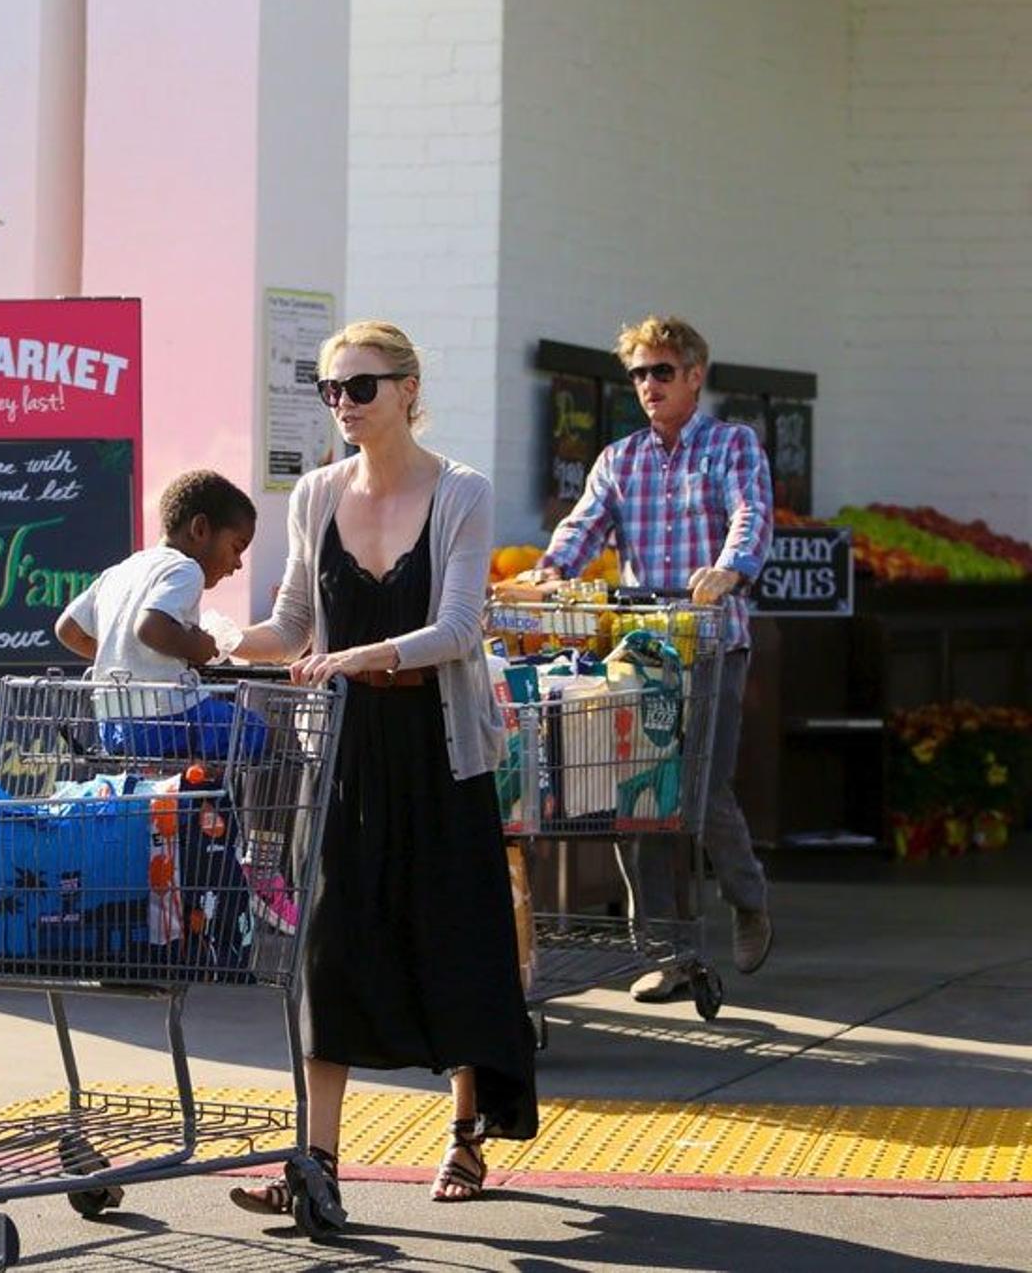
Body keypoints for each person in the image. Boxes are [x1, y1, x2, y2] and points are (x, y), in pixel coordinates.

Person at [229, 320, 537, 1225]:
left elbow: (459, 629)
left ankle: (466, 1131)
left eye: (359, 387)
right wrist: (214, 639)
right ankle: (315, 1162)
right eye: (330, 389)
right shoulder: (316, 493)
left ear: (408, 389)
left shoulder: (462, 493)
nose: (342, 406)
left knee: (454, 942)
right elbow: (290, 621)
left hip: (441, 756)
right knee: (331, 951)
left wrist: (357, 655)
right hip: (349, 761)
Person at [530, 315, 774, 1002]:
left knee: (703, 784)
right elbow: (581, 527)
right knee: (639, 793)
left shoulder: (732, 445)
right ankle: (666, 951)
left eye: (661, 371)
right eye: (638, 373)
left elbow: (750, 514)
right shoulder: (620, 459)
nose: (647, 385)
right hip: (643, 653)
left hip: (713, 641)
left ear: (695, 375)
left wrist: (729, 568)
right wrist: (549, 573)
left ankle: (747, 896)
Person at [54, 469, 258, 759]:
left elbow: (67, 630)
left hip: (112, 725)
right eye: (237, 548)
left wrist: (126, 654)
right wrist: (199, 647)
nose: (238, 564)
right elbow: (151, 628)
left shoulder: (121, 570)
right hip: (167, 718)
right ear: (200, 529)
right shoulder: (186, 570)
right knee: (254, 729)